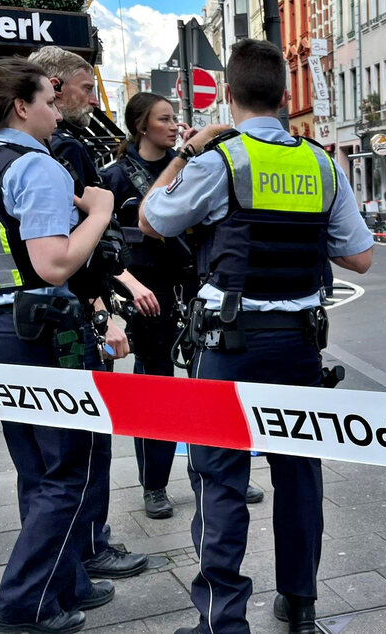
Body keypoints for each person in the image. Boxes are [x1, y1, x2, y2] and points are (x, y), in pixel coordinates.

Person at [140, 38, 373, 634]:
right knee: (299, 474)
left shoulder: (221, 160)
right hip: (299, 345)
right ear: (286, 96)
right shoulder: (321, 163)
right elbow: (361, 256)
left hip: (231, 345)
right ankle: (300, 604)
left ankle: (223, 620)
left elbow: (152, 217)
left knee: (220, 475)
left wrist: (187, 148)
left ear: (230, 94)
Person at [0, 58, 116, 634]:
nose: (55, 109)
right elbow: (55, 262)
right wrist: (101, 211)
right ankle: (22, 603)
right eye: (48, 100)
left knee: (36, 471)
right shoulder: (35, 167)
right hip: (39, 331)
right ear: (22, 106)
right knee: (67, 472)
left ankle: (62, 583)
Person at [100, 93, 264, 518]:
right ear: (142, 125)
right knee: (154, 389)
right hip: (149, 293)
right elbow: (103, 247)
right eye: (165, 118)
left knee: (208, 385)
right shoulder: (115, 176)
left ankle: (221, 474)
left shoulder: (193, 164)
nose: (174, 125)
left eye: (176, 119)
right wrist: (128, 285)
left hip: (193, 285)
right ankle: (154, 484)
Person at [29, 45, 148, 579]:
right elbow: (82, 248)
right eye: (83, 86)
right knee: (87, 435)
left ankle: (65, 554)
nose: (87, 97)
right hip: (72, 317)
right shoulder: (64, 154)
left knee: (46, 453)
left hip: (22, 318)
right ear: (54, 85)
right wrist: (105, 314)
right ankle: (89, 545)